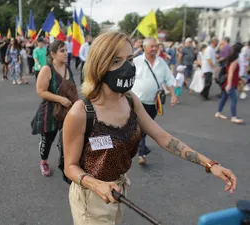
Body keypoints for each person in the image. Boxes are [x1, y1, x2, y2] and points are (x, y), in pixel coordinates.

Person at [62, 31, 237, 225]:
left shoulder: (129, 99)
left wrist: (210, 164)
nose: (127, 68)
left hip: (119, 190)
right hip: (91, 198)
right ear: (99, 65)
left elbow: (162, 137)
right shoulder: (80, 112)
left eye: (129, 59)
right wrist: (96, 185)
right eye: (116, 61)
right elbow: (70, 167)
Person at [31, 40, 76, 177]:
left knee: (67, 139)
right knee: (47, 140)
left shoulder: (67, 68)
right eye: (62, 51)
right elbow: (41, 91)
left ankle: (68, 164)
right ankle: (44, 162)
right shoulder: (47, 69)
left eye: (66, 50)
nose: (66, 53)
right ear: (53, 54)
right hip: (50, 112)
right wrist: (60, 99)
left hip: (67, 111)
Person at [131, 37, 177, 165]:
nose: (154, 49)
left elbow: (169, 79)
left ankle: (142, 147)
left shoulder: (161, 62)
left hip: (153, 103)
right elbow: (127, 77)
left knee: (145, 128)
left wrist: (173, 94)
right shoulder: (136, 61)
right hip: (137, 102)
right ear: (144, 47)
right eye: (152, 46)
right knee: (140, 127)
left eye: (156, 46)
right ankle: (142, 153)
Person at [215, 43, 244, 124]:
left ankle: (218, 112)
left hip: (229, 82)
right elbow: (231, 73)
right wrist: (229, 84)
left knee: (224, 98)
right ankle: (234, 117)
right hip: (230, 83)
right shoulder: (234, 61)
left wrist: (239, 78)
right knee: (234, 99)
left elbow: (231, 73)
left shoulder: (230, 60)